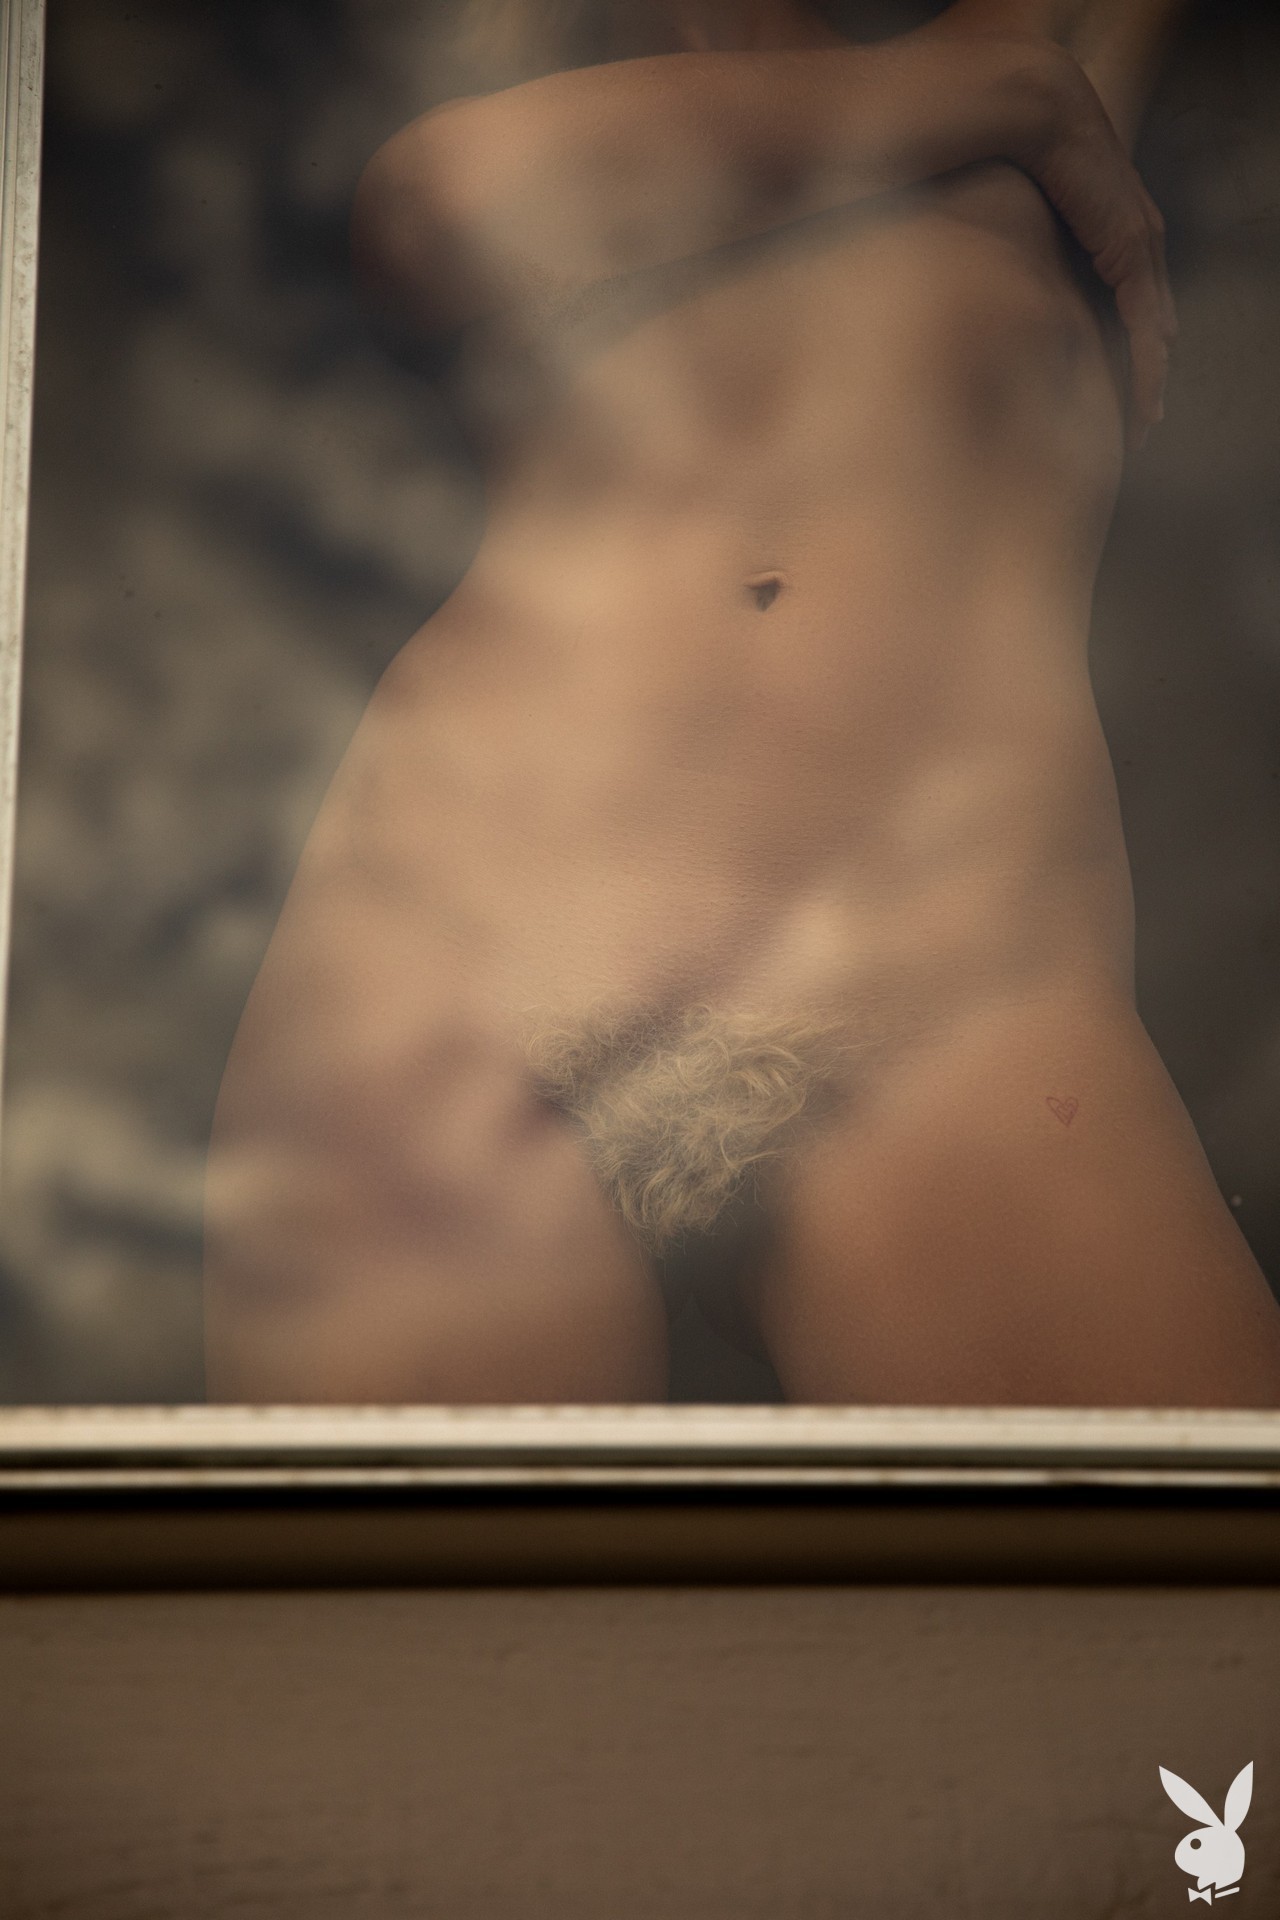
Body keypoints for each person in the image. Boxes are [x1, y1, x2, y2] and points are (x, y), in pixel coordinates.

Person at [203, 0, 1280, 1405]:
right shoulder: (560, 44)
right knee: (359, 1553)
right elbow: (432, 207)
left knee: (1185, 1537)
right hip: (467, 935)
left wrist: (1028, 82)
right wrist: (1010, 101)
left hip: (926, 967)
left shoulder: (1062, 30)